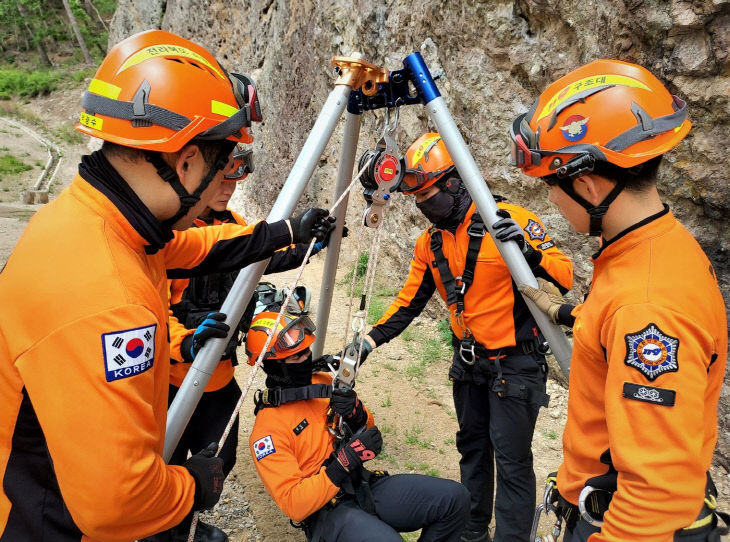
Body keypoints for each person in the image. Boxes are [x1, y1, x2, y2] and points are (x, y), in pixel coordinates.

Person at [0, 30, 334, 542]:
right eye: (222, 168)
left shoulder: (96, 223)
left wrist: (289, 232)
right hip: (44, 521)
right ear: (187, 162)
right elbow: (117, 503)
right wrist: (195, 485)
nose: (217, 195)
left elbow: (207, 248)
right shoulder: (108, 297)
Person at [510, 59, 727, 541]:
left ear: (586, 185)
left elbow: (655, 495)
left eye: (551, 185)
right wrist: (566, 312)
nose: (552, 200)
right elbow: (617, 331)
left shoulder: (646, 304)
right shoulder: (657, 245)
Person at [350, 133, 574, 542]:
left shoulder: (509, 221)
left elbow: (565, 274)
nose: (423, 206)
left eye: (429, 195)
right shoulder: (430, 242)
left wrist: (528, 252)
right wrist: (369, 340)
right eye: (416, 200)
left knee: (511, 462)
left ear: (455, 183)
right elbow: (408, 301)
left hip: (516, 365)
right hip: (469, 364)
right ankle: (472, 532)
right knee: (472, 448)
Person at [159, 144, 338, 542]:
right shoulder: (171, 237)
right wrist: (185, 344)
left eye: (235, 177)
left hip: (220, 381)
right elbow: (150, 313)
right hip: (172, 382)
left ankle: (186, 523)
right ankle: (164, 532)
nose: (228, 186)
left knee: (218, 463)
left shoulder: (237, 225)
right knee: (166, 462)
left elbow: (269, 258)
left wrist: (312, 243)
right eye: (221, 176)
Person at [245, 293, 471, 542]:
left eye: (307, 351)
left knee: (454, 499)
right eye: (297, 357)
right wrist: (344, 460)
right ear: (273, 365)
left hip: (362, 485)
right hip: (326, 511)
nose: (307, 358)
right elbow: (294, 505)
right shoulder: (267, 432)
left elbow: (368, 429)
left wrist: (355, 413)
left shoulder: (323, 382)